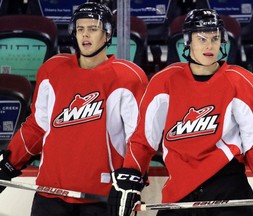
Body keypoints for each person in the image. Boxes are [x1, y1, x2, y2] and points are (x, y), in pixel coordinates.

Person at [107, 9, 253, 216]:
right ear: (187, 41)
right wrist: (131, 175)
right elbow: (143, 141)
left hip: (228, 193)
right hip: (178, 195)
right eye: (201, 38)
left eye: (215, 38)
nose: (209, 45)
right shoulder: (164, 82)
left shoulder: (242, 82)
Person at [0, 2, 148, 216]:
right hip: (50, 193)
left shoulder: (128, 77)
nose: (85, 35)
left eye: (93, 29)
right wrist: (9, 161)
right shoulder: (53, 70)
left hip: (101, 197)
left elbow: (139, 138)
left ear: (107, 35)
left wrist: (132, 177)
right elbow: (37, 127)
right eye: (80, 29)